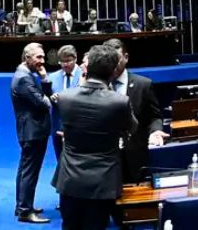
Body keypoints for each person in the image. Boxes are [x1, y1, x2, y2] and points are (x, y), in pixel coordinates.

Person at [53, 44, 136, 230]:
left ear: (87, 68)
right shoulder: (119, 101)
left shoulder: (65, 97)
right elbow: (131, 127)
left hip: (70, 177)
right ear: (113, 71)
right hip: (103, 180)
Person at [102, 38, 166, 183]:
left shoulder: (143, 85)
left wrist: (155, 131)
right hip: (106, 159)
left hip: (135, 155)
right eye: (108, 59)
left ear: (126, 57)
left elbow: (155, 116)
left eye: (116, 58)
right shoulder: (98, 86)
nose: (112, 63)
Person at [11, 43, 52, 224]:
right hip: (33, 131)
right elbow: (43, 103)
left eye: (43, 57)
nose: (42, 61)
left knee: (25, 170)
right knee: (30, 172)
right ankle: (25, 211)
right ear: (27, 58)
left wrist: (43, 81)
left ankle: (22, 206)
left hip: (30, 130)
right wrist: (45, 84)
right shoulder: (23, 78)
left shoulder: (25, 75)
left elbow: (42, 98)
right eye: (38, 57)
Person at [47, 45, 80, 158]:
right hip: (58, 126)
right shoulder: (52, 77)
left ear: (75, 58)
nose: (65, 64)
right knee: (60, 160)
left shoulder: (84, 75)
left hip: (78, 126)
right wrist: (52, 98)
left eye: (68, 61)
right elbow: (46, 98)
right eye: (62, 61)